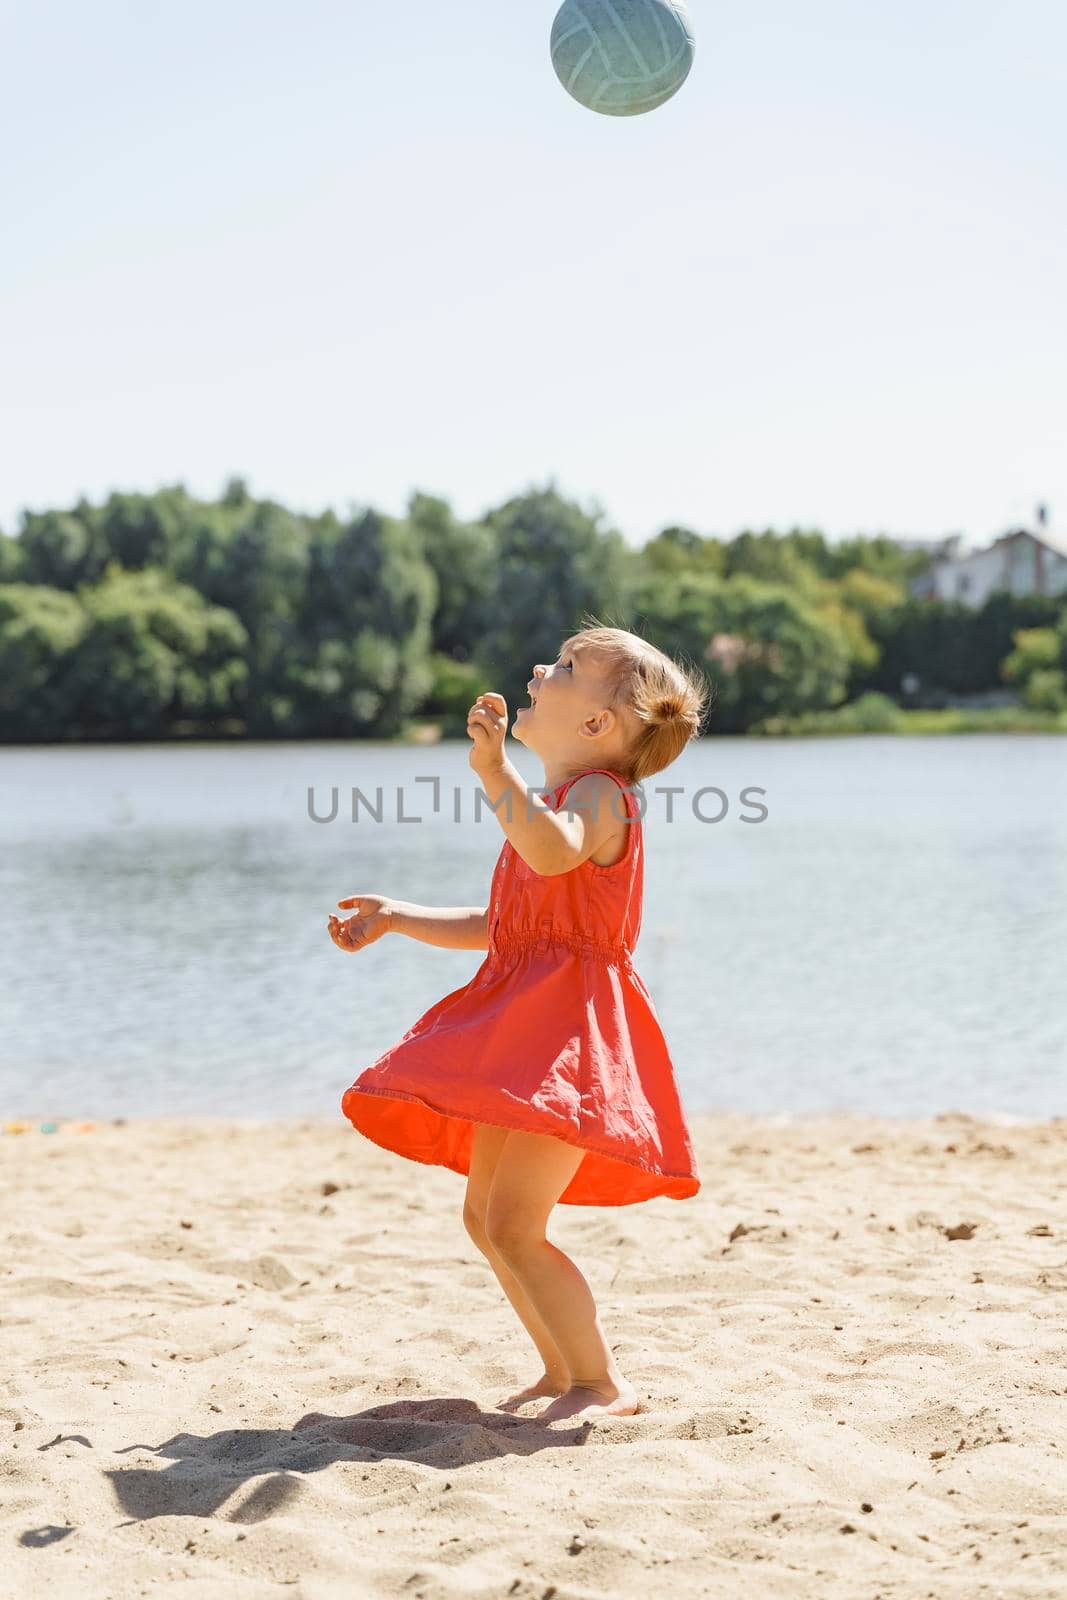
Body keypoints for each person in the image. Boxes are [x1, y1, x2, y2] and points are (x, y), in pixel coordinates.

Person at [328, 622, 709, 1423]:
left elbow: (550, 855)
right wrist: (399, 916)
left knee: (517, 1224)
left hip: (566, 1042)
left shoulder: (600, 799)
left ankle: (600, 1383)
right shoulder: (551, 804)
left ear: (597, 726)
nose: (541, 669)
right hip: (522, 1030)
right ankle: (560, 1369)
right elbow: (506, 924)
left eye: (565, 668)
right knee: (487, 1218)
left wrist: (492, 768)